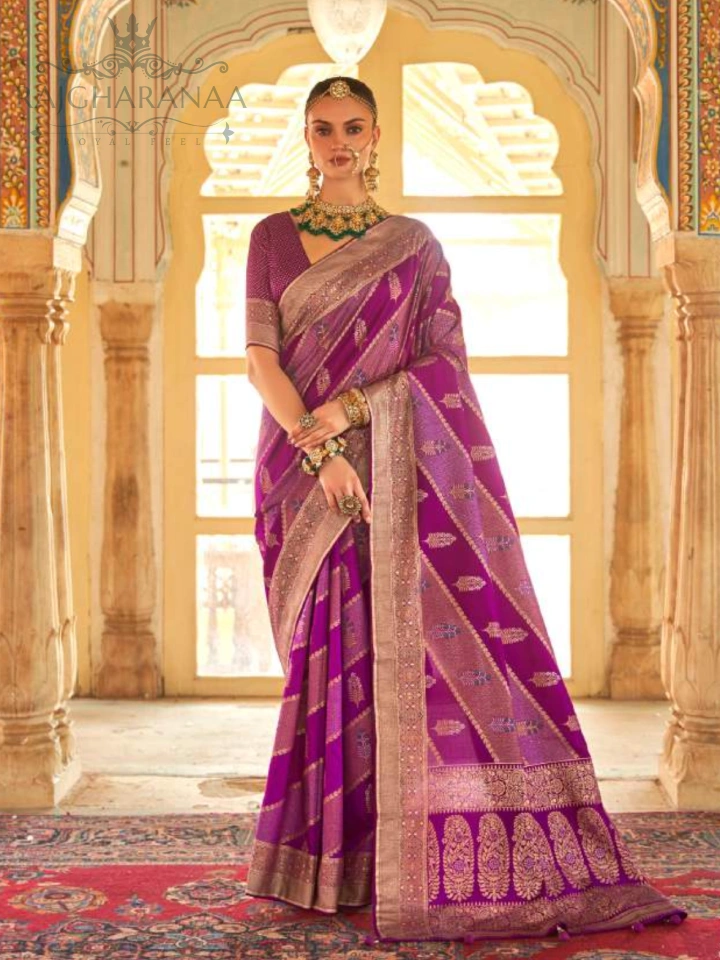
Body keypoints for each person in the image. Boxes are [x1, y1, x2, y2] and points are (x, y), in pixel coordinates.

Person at [243, 75, 686, 943]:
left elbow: (443, 365)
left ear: (377, 137)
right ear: (307, 138)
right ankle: (329, 861)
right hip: (305, 474)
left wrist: (356, 410)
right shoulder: (271, 236)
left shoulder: (413, 246)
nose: (339, 143)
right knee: (326, 657)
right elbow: (261, 359)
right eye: (324, 128)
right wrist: (323, 452)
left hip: (396, 469)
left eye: (354, 127)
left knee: (392, 657)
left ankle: (393, 858)